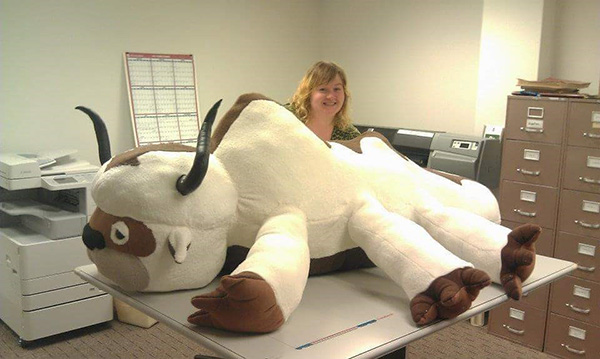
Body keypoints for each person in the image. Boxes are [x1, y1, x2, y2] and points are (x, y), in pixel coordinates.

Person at [288, 61, 361, 141]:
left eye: (336, 89)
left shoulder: (349, 135)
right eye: (323, 89)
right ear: (308, 93)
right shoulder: (286, 117)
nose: (331, 96)